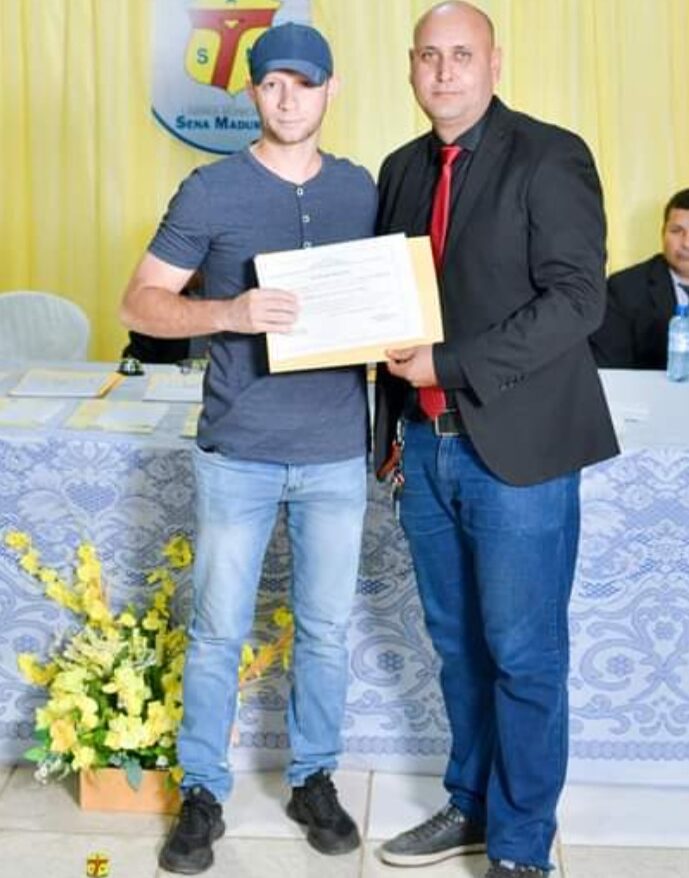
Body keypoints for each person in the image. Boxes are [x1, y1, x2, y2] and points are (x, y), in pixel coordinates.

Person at [120, 22, 377, 875]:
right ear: (252, 92)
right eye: (271, 84)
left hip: (335, 452)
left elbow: (390, 298)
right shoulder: (211, 190)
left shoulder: (362, 190)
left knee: (326, 630)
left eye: (304, 83)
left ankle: (312, 779)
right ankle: (202, 790)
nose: (287, 99)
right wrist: (227, 313)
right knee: (217, 632)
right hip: (237, 452)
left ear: (331, 90)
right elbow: (138, 303)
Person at [373, 4, 618, 877]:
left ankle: (519, 847)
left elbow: (576, 301)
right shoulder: (401, 168)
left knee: (522, 655)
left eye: (461, 55)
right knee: (457, 648)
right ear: (411, 67)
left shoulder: (549, 155)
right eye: (429, 56)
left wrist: (446, 362)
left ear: (494, 63)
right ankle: (470, 804)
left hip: (515, 454)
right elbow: (385, 300)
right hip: (423, 447)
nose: (444, 72)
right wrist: (387, 430)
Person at [590, 188, 689, 369]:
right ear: (662, 233)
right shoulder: (624, 289)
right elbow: (611, 370)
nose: (686, 243)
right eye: (676, 231)